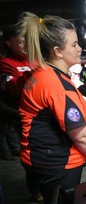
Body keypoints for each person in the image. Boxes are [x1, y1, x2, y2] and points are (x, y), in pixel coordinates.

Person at [17, 11, 86, 204]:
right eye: (74, 44)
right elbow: (80, 135)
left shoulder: (46, 75)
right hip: (56, 162)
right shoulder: (54, 84)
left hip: (43, 158)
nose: (79, 47)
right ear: (57, 51)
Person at [0, 25, 31, 161]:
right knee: (4, 129)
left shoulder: (30, 60)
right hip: (13, 107)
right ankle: (6, 151)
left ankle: (14, 149)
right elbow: (16, 88)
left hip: (28, 108)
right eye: (20, 42)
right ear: (8, 43)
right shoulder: (5, 63)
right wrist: (34, 74)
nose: (24, 45)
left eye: (26, 41)